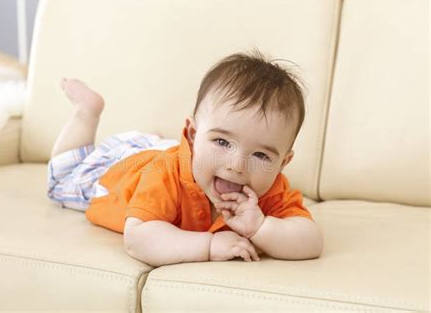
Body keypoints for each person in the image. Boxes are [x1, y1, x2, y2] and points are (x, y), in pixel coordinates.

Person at [47, 50, 324, 267]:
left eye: (262, 155)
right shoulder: (164, 176)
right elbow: (138, 238)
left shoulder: (270, 188)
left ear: (282, 164)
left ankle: (171, 143)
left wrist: (261, 227)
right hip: (118, 168)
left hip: (173, 153)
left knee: (181, 156)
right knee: (61, 178)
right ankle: (87, 111)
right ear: (192, 134)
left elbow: (311, 241)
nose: (237, 165)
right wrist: (208, 246)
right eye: (223, 141)